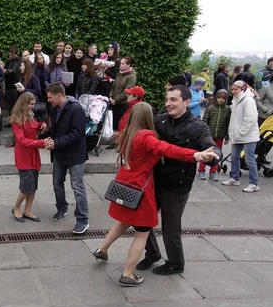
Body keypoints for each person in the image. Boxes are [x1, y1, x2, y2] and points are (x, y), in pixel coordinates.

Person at [92, 102, 218, 287]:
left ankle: (102, 250)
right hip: (140, 188)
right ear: (147, 117)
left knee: (124, 221)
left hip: (126, 183)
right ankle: (128, 274)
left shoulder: (127, 133)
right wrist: (195, 155)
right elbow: (168, 149)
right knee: (142, 234)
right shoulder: (146, 136)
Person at [137, 85, 222, 275]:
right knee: (141, 220)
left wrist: (212, 154)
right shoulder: (159, 120)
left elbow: (211, 147)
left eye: (173, 100)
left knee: (170, 227)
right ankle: (152, 254)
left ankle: (176, 264)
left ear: (186, 102)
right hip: (154, 180)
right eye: (167, 100)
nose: (168, 104)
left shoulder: (198, 126)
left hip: (178, 184)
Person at [45, 83, 89, 233]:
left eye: (50, 97)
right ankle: (62, 208)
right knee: (57, 183)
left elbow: (77, 133)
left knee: (77, 186)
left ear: (59, 95)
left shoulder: (76, 109)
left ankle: (82, 219)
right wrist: (46, 132)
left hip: (75, 154)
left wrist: (56, 143)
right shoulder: (55, 109)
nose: (49, 100)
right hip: (60, 153)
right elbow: (57, 130)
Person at [10, 92, 50, 222]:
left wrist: (41, 125)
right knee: (26, 186)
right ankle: (16, 207)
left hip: (32, 153)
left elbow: (35, 126)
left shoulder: (30, 115)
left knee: (33, 186)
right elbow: (21, 140)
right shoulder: (17, 119)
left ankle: (27, 210)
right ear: (24, 104)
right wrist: (41, 143)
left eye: (33, 104)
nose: (33, 106)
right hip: (24, 155)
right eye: (31, 104)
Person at [222, 80, 260, 193]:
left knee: (249, 159)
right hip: (238, 135)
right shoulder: (236, 100)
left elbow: (251, 118)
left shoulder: (248, 100)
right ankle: (235, 178)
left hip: (248, 135)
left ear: (242, 89)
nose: (233, 91)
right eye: (232, 89)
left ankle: (254, 183)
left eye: (235, 89)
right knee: (234, 157)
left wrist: (241, 132)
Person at [198, 89, 231, 180]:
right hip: (209, 136)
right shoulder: (210, 108)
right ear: (216, 97)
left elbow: (228, 123)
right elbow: (204, 121)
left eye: (223, 98)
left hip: (220, 136)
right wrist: (204, 134)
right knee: (206, 153)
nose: (221, 99)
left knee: (217, 154)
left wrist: (227, 136)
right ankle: (201, 170)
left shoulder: (228, 109)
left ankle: (213, 172)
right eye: (219, 97)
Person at [109, 56, 137, 130]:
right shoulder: (119, 73)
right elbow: (113, 86)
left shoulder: (132, 76)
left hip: (122, 104)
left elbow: (127, 92)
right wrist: (111, 97)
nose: (120, 65)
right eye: (120, 63)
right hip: (114, 103)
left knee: (120, 126)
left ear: (128, 65)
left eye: (122, 64)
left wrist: (116, 100)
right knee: (112, 124)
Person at [4, 46, 22, 125]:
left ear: (16, 54)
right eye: (10, 55)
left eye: (13, 55)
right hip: (8, 84)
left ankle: (17, 121)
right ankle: (11, 120)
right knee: (9, 104)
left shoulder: (19, 61)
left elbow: (17, 73)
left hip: (16, 85)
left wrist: (11, 72)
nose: (11, 57)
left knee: (16, 104)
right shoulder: (8, 61)